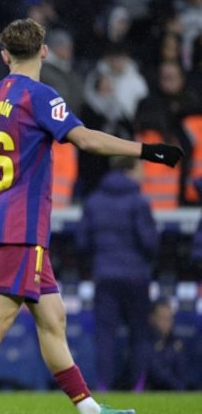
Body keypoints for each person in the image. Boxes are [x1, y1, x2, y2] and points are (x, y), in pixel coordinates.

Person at [0, 18, 183, 414]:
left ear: (4, 55)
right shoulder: (40, 96)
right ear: (44, 51)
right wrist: (146, 150)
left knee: (53, 318)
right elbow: (85, 139)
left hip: (6, 218)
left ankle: (91, 412)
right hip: (22, 223)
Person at [76, 157, 158, 391]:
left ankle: (104, 388)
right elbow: (150, 242)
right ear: (129, 170)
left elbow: (82, 243)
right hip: (136, 276)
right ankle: (138, 388)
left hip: (104, 275)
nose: (144, 174)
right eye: (141, 168)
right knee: (140, 334)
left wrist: (98, 261)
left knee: (105, 336)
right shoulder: (139, 201)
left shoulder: (94, 201)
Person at [145, 298, 188, 391]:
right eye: (162, 318)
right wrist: (171, 351)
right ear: (152, 319)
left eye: (169, 319)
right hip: (149, 392)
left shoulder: (177, 342)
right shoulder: (144, 342)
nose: (166, 323)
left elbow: (182, 374)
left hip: (175, 392)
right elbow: (155, 373)